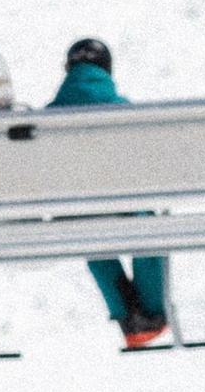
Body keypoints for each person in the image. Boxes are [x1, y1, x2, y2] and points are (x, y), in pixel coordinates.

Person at [54, 36, 169, 345]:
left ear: (68, 70)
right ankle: (150, 313)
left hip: (73, 214)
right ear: (107, 70)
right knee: (147, 225)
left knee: (88, 228)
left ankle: (131, 318)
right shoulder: (124, 111)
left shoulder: (45, 117)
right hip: (122, 208)